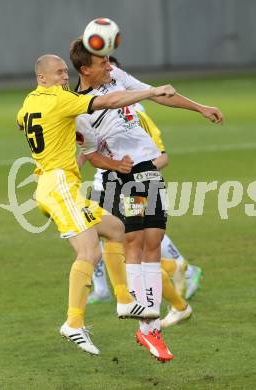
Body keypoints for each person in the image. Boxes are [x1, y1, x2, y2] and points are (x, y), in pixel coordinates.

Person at [70, 39, 222, 361]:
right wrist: (114, 165)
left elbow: (159, 93)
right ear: (85, 70)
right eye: (102, 63)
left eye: (110, 60)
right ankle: (149, 325)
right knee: (133, 242)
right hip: (121, 178)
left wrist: (200, 108)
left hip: (147, 171)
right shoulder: (80, 108)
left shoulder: (117, 76)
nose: (109, 66)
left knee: (154, 240)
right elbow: (91, 154)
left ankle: (152, 321)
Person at [16, 54, 176, 356]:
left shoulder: (29, 103)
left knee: (116, 229)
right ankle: (73, 323)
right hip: (59, 185)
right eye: (59, 72)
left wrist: (108, 160)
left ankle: (125, 299)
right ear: (43, 77)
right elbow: (108, 102)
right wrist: (152, 92)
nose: (65, 77)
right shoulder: (61, 101)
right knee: (89, 251)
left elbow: (23, 124)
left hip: (59, 187)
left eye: (66, 71)